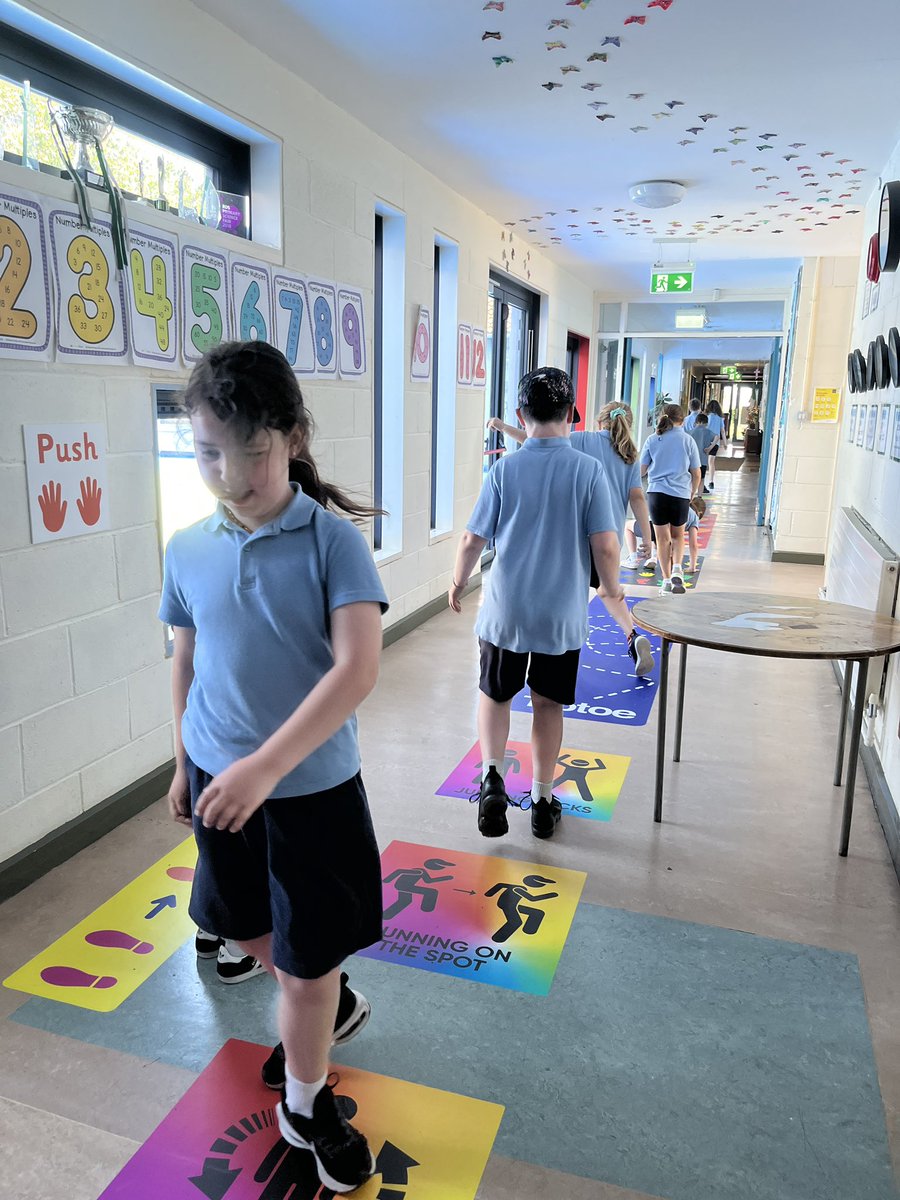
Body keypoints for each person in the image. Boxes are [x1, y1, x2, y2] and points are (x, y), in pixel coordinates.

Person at [159, 341, 388, 1195]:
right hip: (219, 780)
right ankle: (320, 989)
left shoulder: (334, 543)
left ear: (291, 438)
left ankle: (304, 1099)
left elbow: (356, 669)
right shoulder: (187, 547)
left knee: (306, 967)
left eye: (251, 450)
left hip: (312, 792)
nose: (231, 472)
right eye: (209, 451)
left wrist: (264, 766)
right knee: (240, 923)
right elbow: (185, 660)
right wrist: (184, 761)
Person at [451, 367, 624, 842]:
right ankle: (544, 802)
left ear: (519, 415)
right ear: (571, 413)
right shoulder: (588, 471)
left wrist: (457, 580)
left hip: (506, 611)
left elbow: (472, 537)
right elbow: (606, 546)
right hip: (560, 615)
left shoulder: (505, 469)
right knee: (548, 705)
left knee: (495, 693)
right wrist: (610, 588)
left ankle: (492, 779)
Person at [487, 400, 654, 677]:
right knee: (608, 591)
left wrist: (503, 427)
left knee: (564, 592)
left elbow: (535, 440)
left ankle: (550, 645)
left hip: (577, 536)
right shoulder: (629, 454)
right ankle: (631, 635)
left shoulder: (580, 439)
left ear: (600, 422)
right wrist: (646, 539)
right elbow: (637, 498)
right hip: (609, 539)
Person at [640, 403, 701, 595]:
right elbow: (696, 473)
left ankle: (666, 582)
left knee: (662, 539)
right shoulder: (687, 440)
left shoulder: (652, 439)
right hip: (680, 495)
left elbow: (641, 471)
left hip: (657, 494)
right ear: (682, 420)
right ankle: (677, 569)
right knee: (677, 536)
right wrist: (692, 492)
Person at [686, 411, 718, 495]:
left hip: (691, 461)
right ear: (706, 423)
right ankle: (699, 496)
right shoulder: (708, 432)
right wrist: (710, 447)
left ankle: (690, 495)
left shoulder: (690, 432)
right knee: (702, 479)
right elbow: (717, 437)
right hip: (703, 460)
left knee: (690, 479)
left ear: (696, 422)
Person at [704, 399, 728, 490]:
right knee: (711, 462)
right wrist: (725, 443)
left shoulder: (707, 417)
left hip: (706, 442)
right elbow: (722, 431)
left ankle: (702, 480)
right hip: (716, 443)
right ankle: (711, 481)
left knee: (702, 462)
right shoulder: (720, 419)